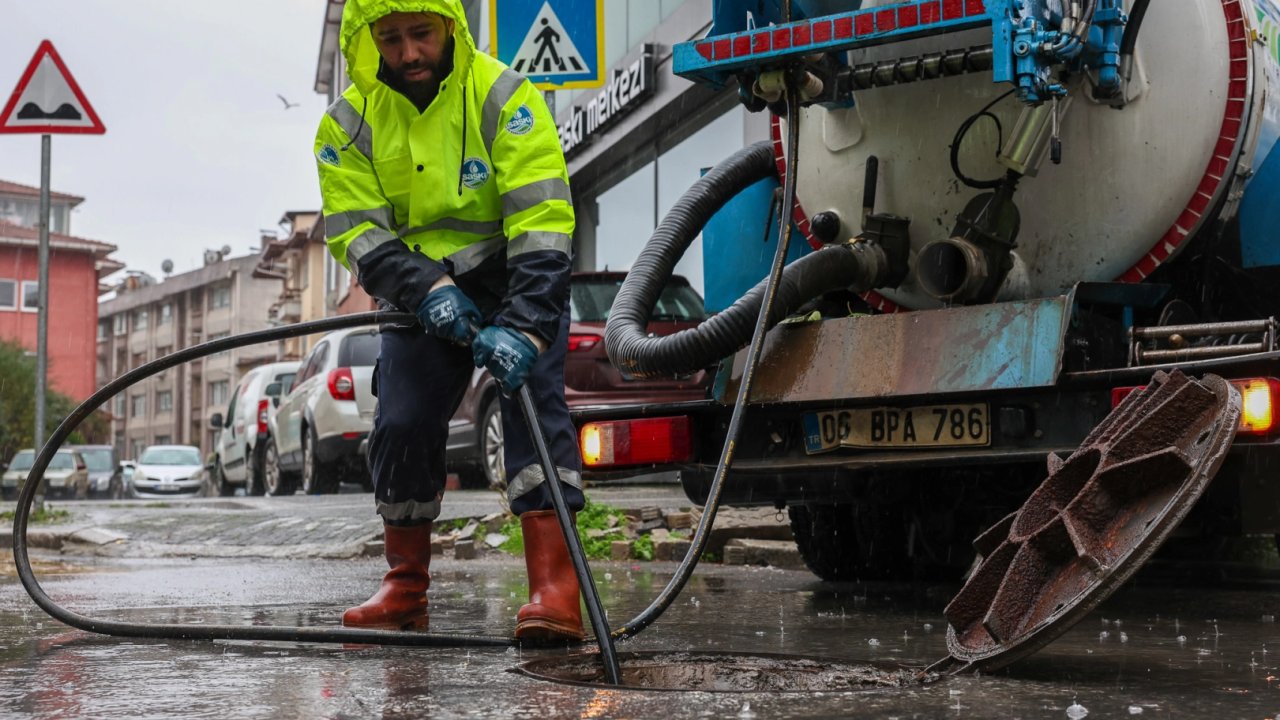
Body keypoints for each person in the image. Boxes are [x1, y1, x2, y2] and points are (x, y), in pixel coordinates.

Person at [313, 0, 585, 642]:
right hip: (415, 285)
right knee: (402, 421)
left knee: (532, 410)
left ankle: (556, 590)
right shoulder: (344, 125)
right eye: (391, 39)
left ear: (450, 29)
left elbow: (543, 218)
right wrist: (428, 289)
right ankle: (404, 587)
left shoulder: (503, 94)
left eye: (421, 34)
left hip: (513, 274)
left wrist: (523, 325)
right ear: (367, 40)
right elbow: (354, 230)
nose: (408, 53)